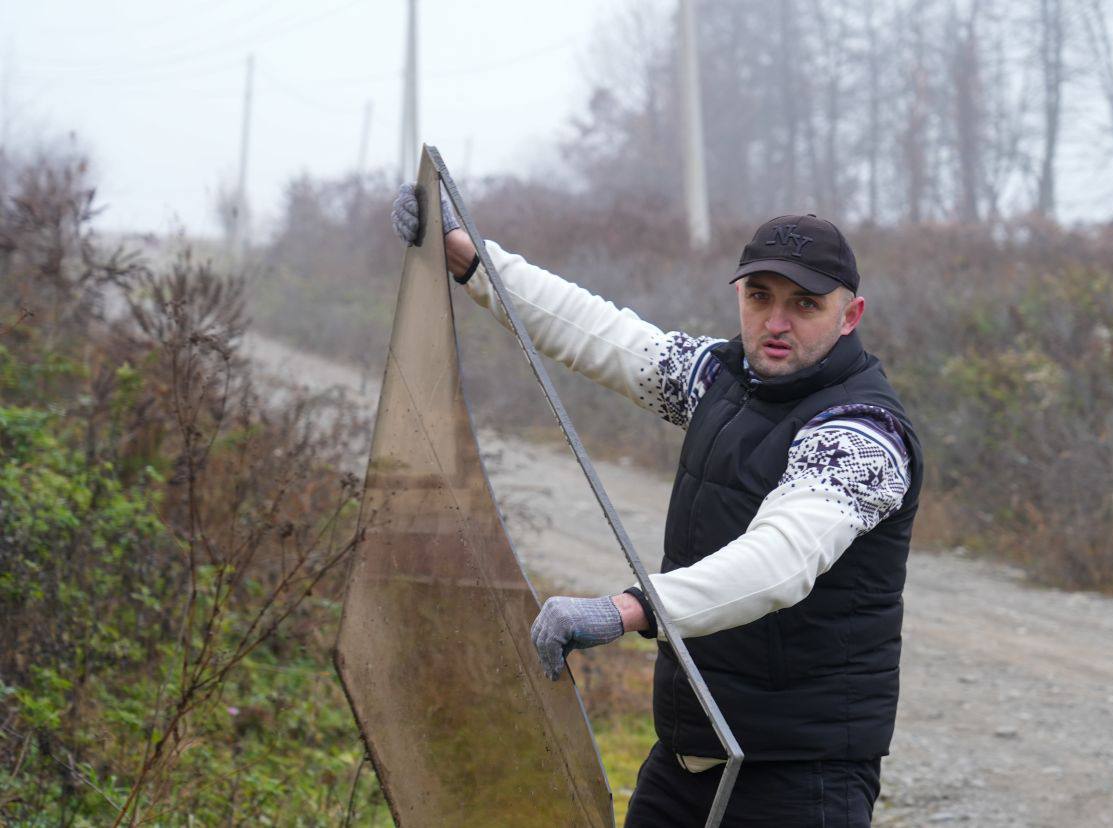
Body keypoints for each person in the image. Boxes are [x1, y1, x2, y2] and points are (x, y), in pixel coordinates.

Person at [391, 183, 923, 828]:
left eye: (804, 304)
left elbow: (779, 562)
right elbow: (601, 333)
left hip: (801, 774)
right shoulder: (723, 379)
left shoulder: (862, 433)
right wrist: (471, 258)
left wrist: (631, 608)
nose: (776, 322)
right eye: (760, 297)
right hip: (689, 753)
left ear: (850, 314)